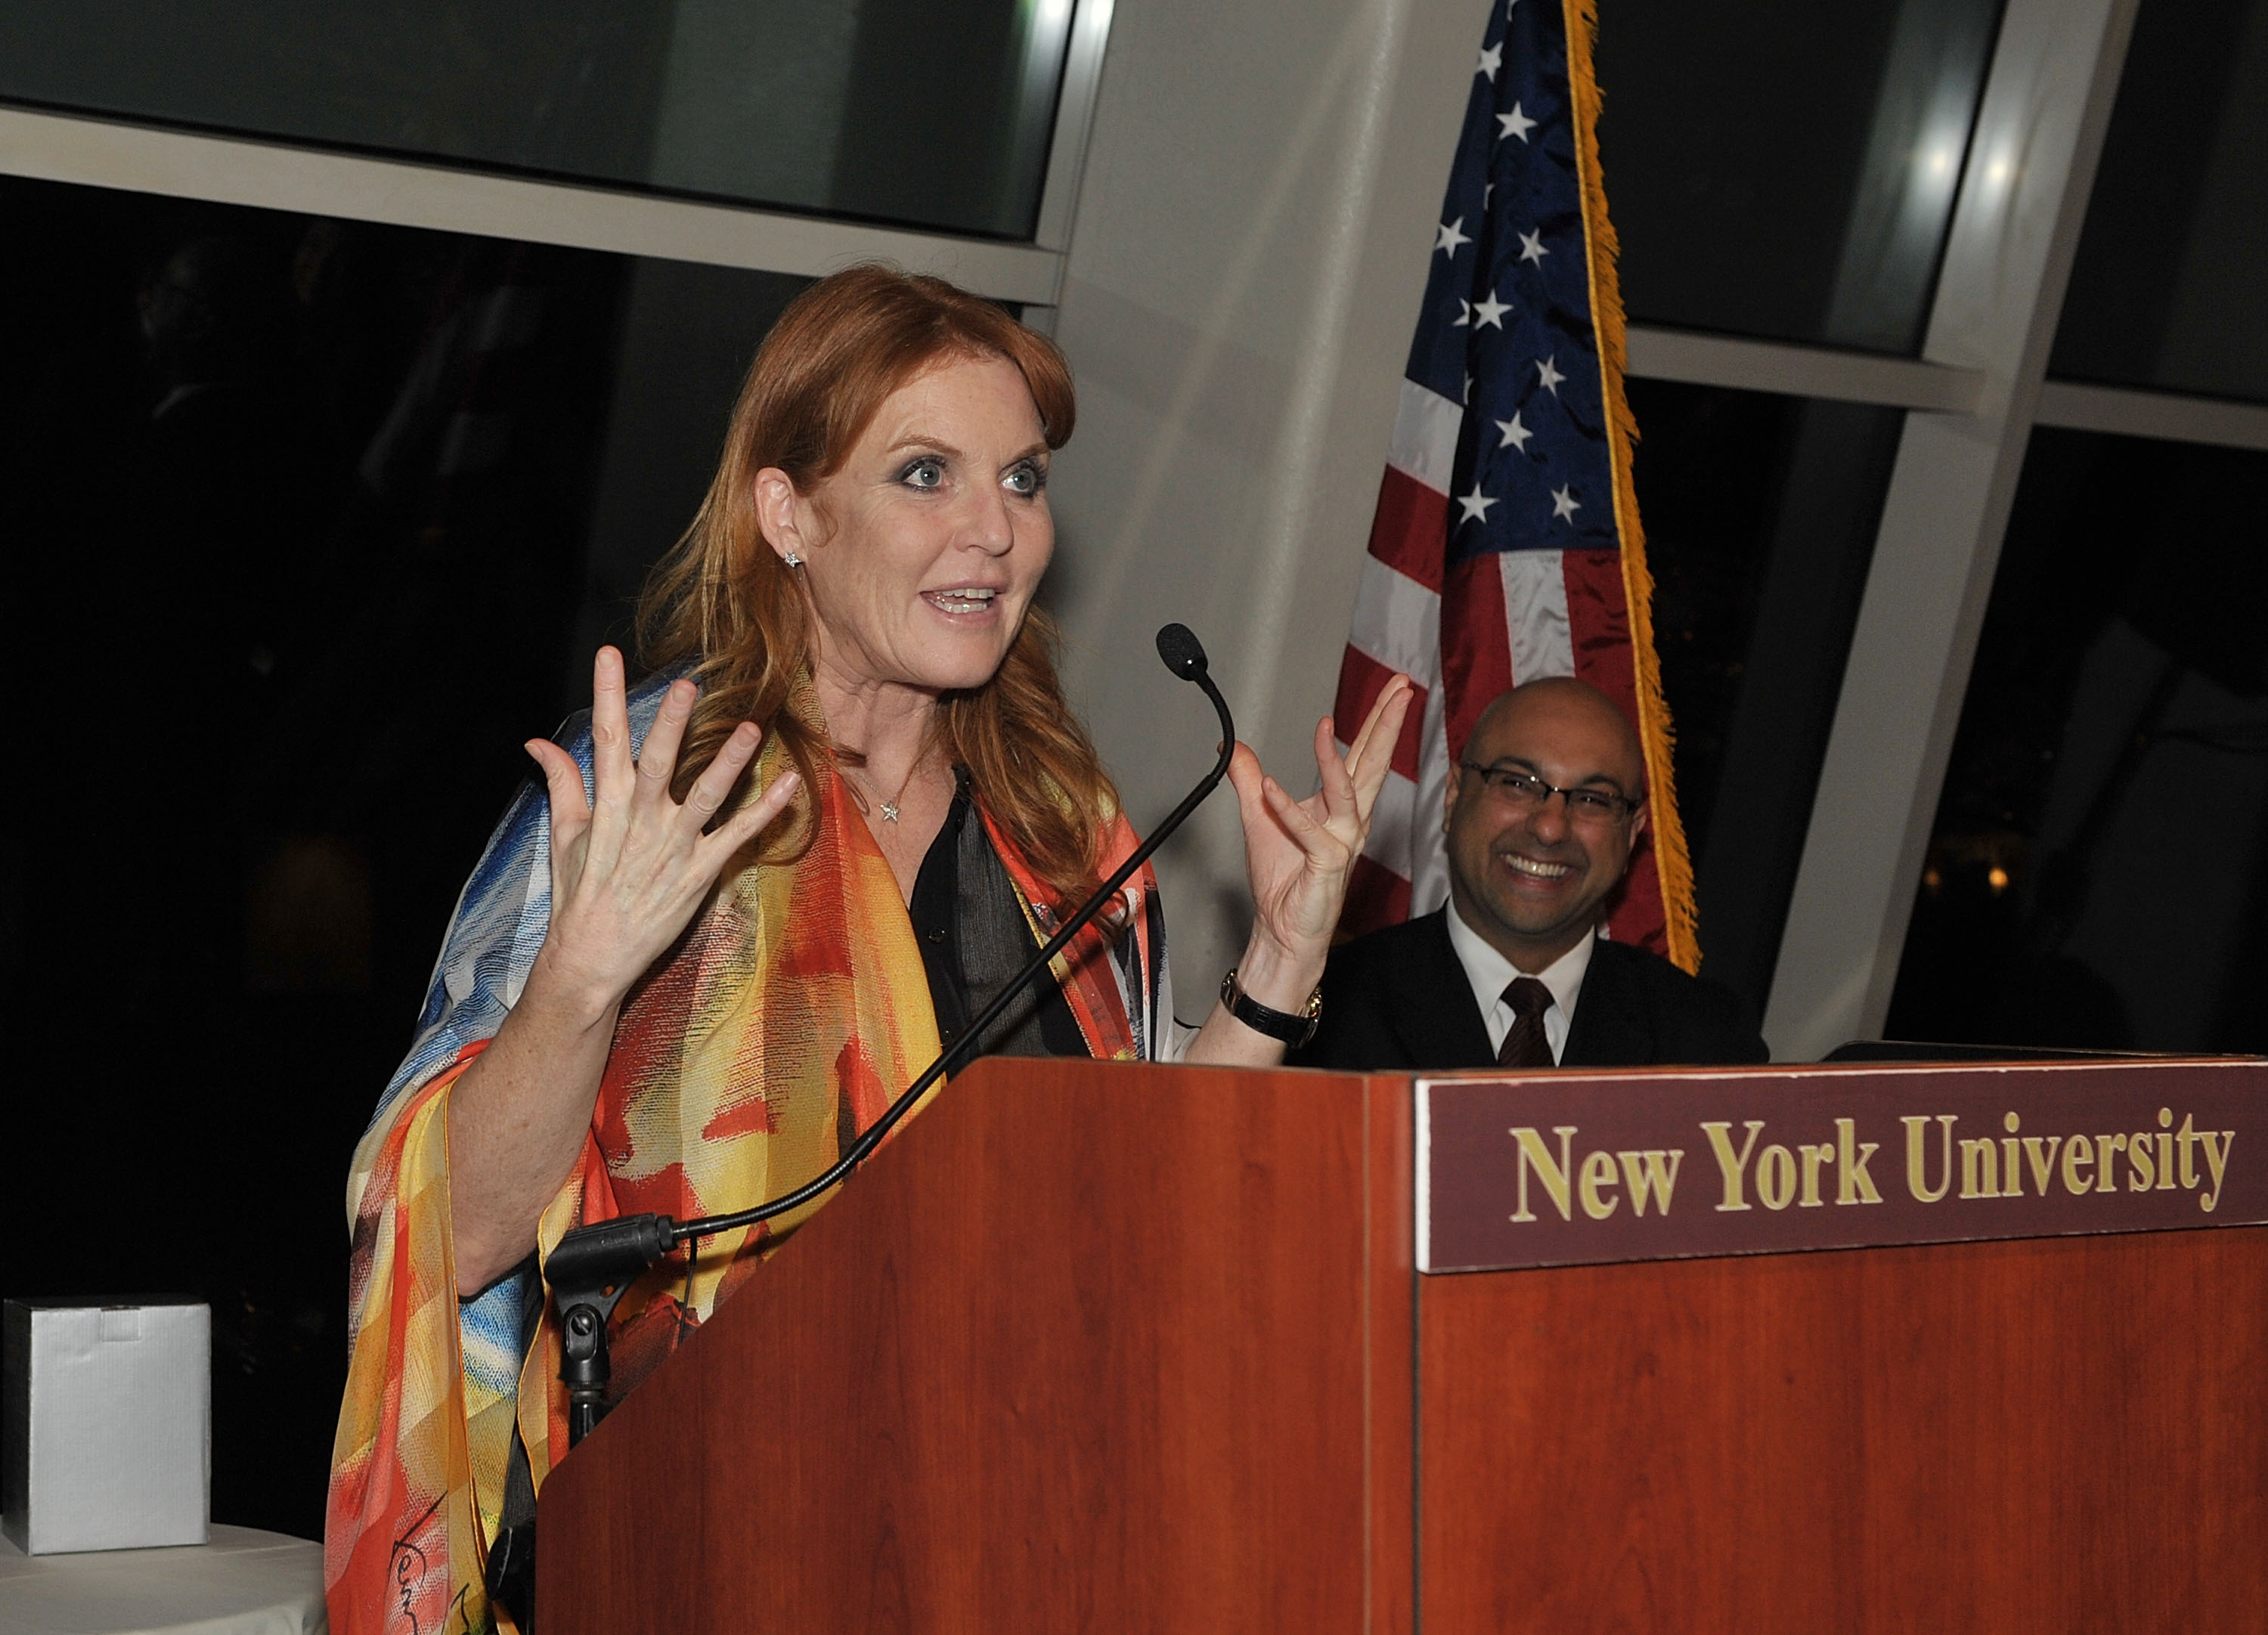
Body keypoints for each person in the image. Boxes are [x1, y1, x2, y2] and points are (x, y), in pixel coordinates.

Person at [324, 266, 1412, 1633]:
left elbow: (1140, 1192)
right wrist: (585, 974)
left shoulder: (1057, 822)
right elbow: (454, 1234)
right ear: (789, 512)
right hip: (697, 1549)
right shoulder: (665, 796)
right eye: (924, 474)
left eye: (1021, 481)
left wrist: (1283, 964)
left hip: (1017, 1537)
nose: (995, 531)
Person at [1291, 677, 1765, 1073]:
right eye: (1517, 784)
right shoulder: (1319, 1012)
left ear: (1633, 834)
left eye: (1594, 800)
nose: (1550, 827)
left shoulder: (1709, 1045)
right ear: (1454, 796)